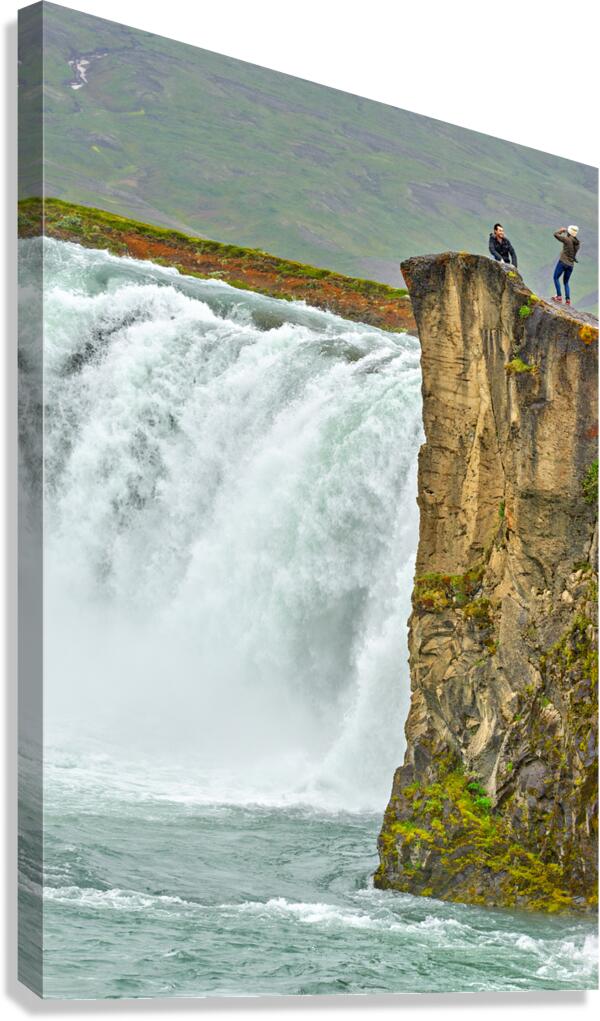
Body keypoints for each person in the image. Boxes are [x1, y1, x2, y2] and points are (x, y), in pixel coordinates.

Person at [552, 225, 580, 305]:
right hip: (571, 265)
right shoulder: (577, 243)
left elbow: (555, 234)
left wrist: (561, 230)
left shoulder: (567, 239)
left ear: (569, 232)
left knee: (555, 277)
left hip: (563, 262)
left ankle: (559, 297)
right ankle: (568, 300)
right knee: (566, 282)